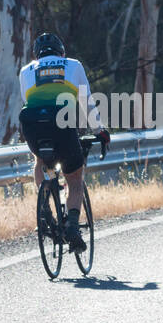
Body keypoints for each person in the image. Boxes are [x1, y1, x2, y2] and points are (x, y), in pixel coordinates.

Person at [18, 33, 110, 252]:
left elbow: (28, 100)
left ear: (36, 54)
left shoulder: (26, 70)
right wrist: (100, 130)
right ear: (62, 52)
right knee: (75, 179)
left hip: (32, 123)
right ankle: (72, 226)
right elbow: (87, 102)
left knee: (40, 159)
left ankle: (44, 208)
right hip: (62, 121)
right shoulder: (73, 65)